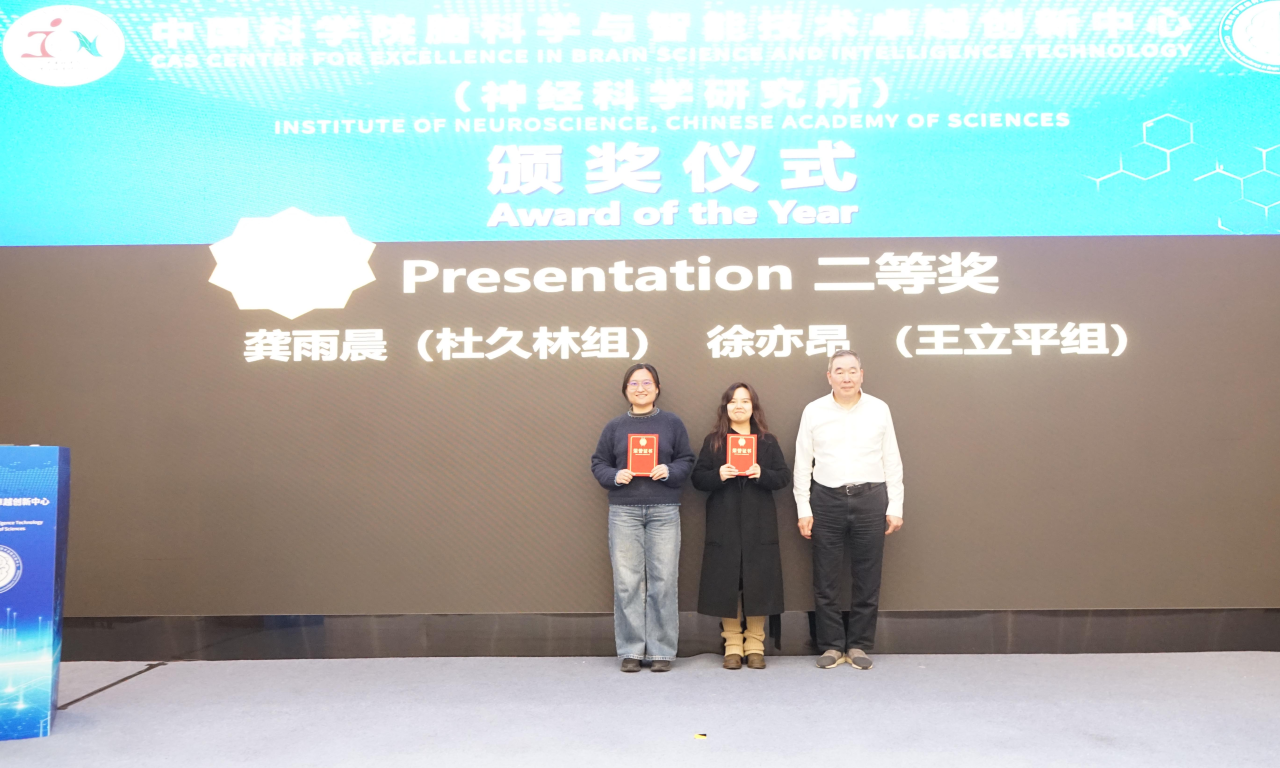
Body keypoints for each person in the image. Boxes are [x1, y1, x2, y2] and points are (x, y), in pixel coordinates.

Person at [794, 349, 904, 670]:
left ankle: (859, 645)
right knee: (825, 578)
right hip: (825, 499)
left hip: (871, 498)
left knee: (867, 576)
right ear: (829, 376)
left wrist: (895, 504)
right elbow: (802, 462)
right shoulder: (814, 411)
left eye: (852, 371)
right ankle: (830, 645)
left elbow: (892, 459)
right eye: (839, 371)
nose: (846, 377)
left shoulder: (879, 409)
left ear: (861, 374)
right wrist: (803, 507)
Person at [591, 363, 696, 673]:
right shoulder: (614, 427)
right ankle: (631, 650)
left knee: (664, 581)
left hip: (664, 509)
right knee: (628, 583)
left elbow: (686, 459)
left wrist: (670, 470)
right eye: (634, 383)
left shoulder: (672, 423)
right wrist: (614, 476)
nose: (640, 388)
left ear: (657, 388)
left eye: (647, 382)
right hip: (624, 511)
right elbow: (598, 463)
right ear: (625, 389)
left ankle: (662, 651)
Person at [692, 383, 790, 670]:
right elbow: (698, 479)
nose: (739, 406)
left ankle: (755, 645)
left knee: (758, 582)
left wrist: (762, 473)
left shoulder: (767, 441)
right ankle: (732, 645)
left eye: (745, 401)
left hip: (759, 523)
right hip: (724, 522)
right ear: (725, 407)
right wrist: (719, 474)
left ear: (753, 407)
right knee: (726, 583)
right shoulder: (714, 441)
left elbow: (783, 477)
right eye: (733, 401)